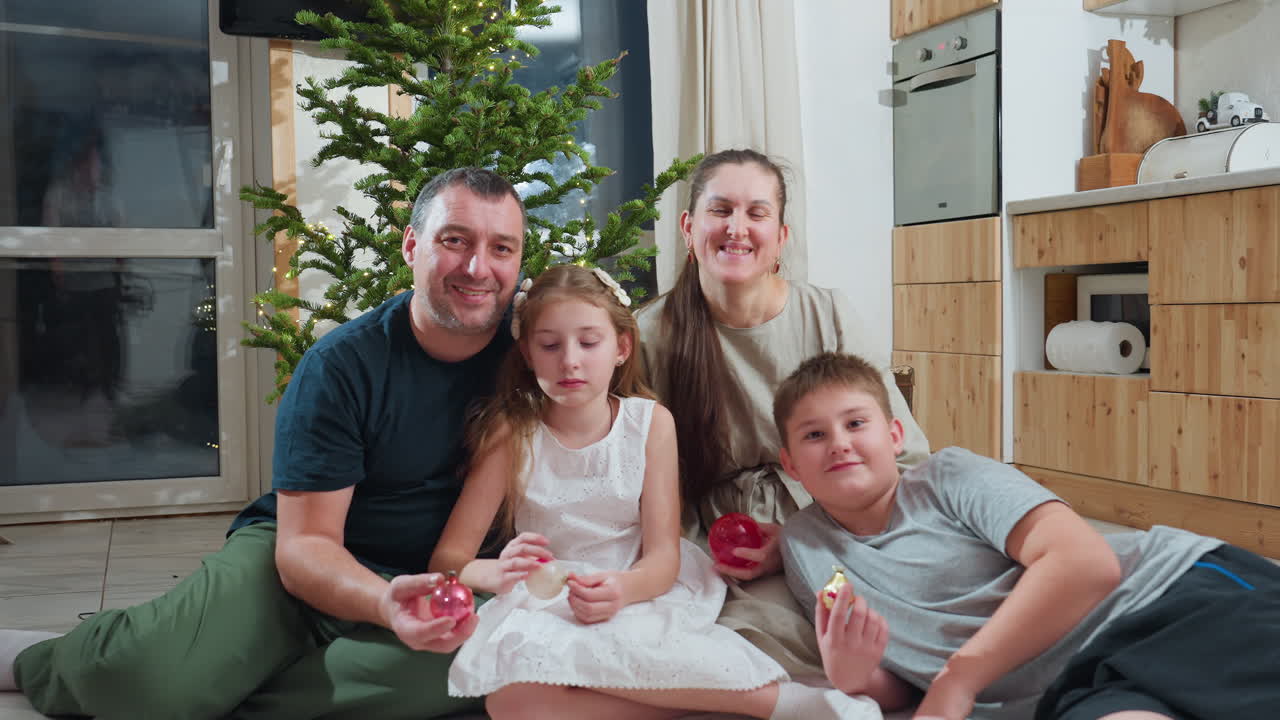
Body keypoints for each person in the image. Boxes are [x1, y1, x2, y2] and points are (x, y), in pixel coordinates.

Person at [1, 167, 527, 719]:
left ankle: (220, 682)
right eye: (455, 240)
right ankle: (50, 658)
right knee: (136, 683)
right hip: (304, 554)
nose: (478, 267)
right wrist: (382, 604)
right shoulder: (344, 366)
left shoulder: (542, 347)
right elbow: (307, 548)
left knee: (497, 660)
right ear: (412, 245)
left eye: (502, 248)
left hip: (453, 576)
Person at [429, 264, 876, 720]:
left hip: (638, 587)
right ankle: (708, 705)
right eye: (549, 345)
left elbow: (663, 557)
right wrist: (495, 572)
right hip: (549, 602)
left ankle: (784, 704)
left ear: (621, 347)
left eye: (588, 342)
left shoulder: (649, 424)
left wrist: (622, 590)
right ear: (526, 353)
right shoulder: (512, 433)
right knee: (509, 701)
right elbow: (449, 559)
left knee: (625, 663)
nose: (570, 361)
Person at [774, 351, 1280, 720]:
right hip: (1075, 687)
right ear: (791, 464)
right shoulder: (803, 548)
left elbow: (1086, 563)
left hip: (1163, 600)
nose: (839, 444)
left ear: (894, 435)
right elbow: (902, 688)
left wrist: (959, 679)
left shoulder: (948, 478)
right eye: (815, 434)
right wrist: (852, 676)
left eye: (856, 423)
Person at [636, 148, 930, 677]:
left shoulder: (829, 313)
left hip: (835, 526)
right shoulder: (650, 334)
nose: (737, 229)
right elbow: (642, 483)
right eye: (720, 210)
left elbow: (900, 452)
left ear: (781, 236)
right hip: (714, 547)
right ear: (688, 226)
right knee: (749, 648)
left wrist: (801, 540)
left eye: (757, 213)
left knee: (887, 628)